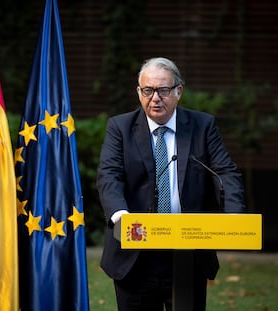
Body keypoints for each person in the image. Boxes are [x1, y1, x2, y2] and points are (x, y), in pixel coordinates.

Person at [97, 57, 245, 311]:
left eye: (163, 90)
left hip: (188, 251)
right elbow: (109, 174)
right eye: (148, 90)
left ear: (178, 91)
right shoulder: (120, 127)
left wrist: (235, 217)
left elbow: (225, 171)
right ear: (139, 92)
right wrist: (121, 217)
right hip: (136, 253)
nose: (155, 98)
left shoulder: (202, 126)